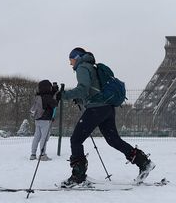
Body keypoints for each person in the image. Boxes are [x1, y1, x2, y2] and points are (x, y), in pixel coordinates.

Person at [59, 47, 155, 187]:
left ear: (78, 57)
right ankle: (143, 162)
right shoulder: (92, 66)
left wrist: (63, 95)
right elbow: (93, 90)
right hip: (107, 108)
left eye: (71, 59)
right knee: (113, 140)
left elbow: (83, 88)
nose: (70, 63)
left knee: (76, 139)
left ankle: (78, 176)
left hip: (96, 109)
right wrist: (80, 99)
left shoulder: (82, 68)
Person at [30, 79, 59, 161]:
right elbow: (55, 104)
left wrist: (53, 92)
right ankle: (42, 155)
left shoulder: (38, 96)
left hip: (38, 119)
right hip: (45, 120)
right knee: (44, 137)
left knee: (37, 137)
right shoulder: (47, 97)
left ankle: (33, 154)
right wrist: (56, 93)